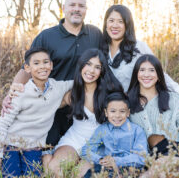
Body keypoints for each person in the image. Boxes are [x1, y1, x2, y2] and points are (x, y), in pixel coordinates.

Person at [1, 0, 103, 147]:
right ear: (63, 8)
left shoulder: (95, 34)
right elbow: (26, 69)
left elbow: (104, 64)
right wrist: (12, 93)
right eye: (72, 5)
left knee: (83, 149)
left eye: (81, 6)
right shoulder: (47, 36)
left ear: (86, 10)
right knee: (46, 148)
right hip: (52, 106)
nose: (76, 9)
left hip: (83, 105)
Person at [0, 48, 73, 177]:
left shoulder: (58, 87)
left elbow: (78, 81)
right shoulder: (20, 92)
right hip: (11, 145)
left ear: (51, 65)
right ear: (27, 68)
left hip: (34, 148)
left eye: (45, 62)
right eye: (36, 63)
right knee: (11, 175)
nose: (42, 66)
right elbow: (2, 124)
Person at [101, 4, 179, 121]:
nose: (115, 25)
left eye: (120, 21)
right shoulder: (100, 49)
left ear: (127, 25)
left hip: (132, 109)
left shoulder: (138, 47)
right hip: (106, 110)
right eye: (111, 21)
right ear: (106, 24)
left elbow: (158, 73)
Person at [42, 49, 123, 177]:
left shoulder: (108, 94)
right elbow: (46, 107)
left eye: (97, 67)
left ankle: (48, 159)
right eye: (88, 64)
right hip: (74, 140)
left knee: (78, 175)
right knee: (55, 169)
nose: (91, 71)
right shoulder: (73, 93)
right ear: (81, 65)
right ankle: (48, 160)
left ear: (102, 71)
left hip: (96, 148)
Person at [127, 54, 179, 175]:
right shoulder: (127, 103)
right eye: (142, 70)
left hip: (178, 151)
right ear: (136, 74)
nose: (146, 74)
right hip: (147, 158)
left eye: (152, 70)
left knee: (169, 166)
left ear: (159, 75)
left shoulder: (173, 99)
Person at [80, 92, 148, 178]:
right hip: (105, 166)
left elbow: (142, 158)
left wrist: (116, 161)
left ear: (128, 113)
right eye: (113, 111)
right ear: (106, 112)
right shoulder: (102, 129)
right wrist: (100, 160)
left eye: (122, 111)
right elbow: (85, 150)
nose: (117, 115)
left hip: (129, 168)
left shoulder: (137, 131)